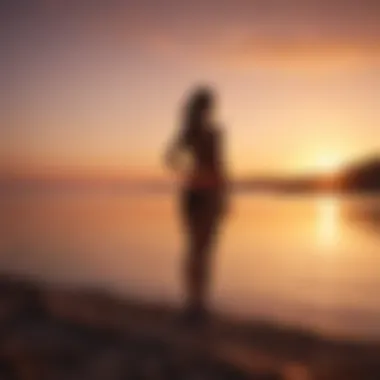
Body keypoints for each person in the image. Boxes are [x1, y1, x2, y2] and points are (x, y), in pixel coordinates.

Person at [164, 86, 229, 326]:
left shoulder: (192, 132)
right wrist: (222, 195)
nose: (210, 109)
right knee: (200, 252)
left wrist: (190, 171)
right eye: (208, 105)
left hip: (196, 193)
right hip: (203, 194)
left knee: (196, 251)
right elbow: (220, 167)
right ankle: (196, 306)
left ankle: (195, 305)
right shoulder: (208, 133)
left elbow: (170, 158)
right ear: (205, 107)